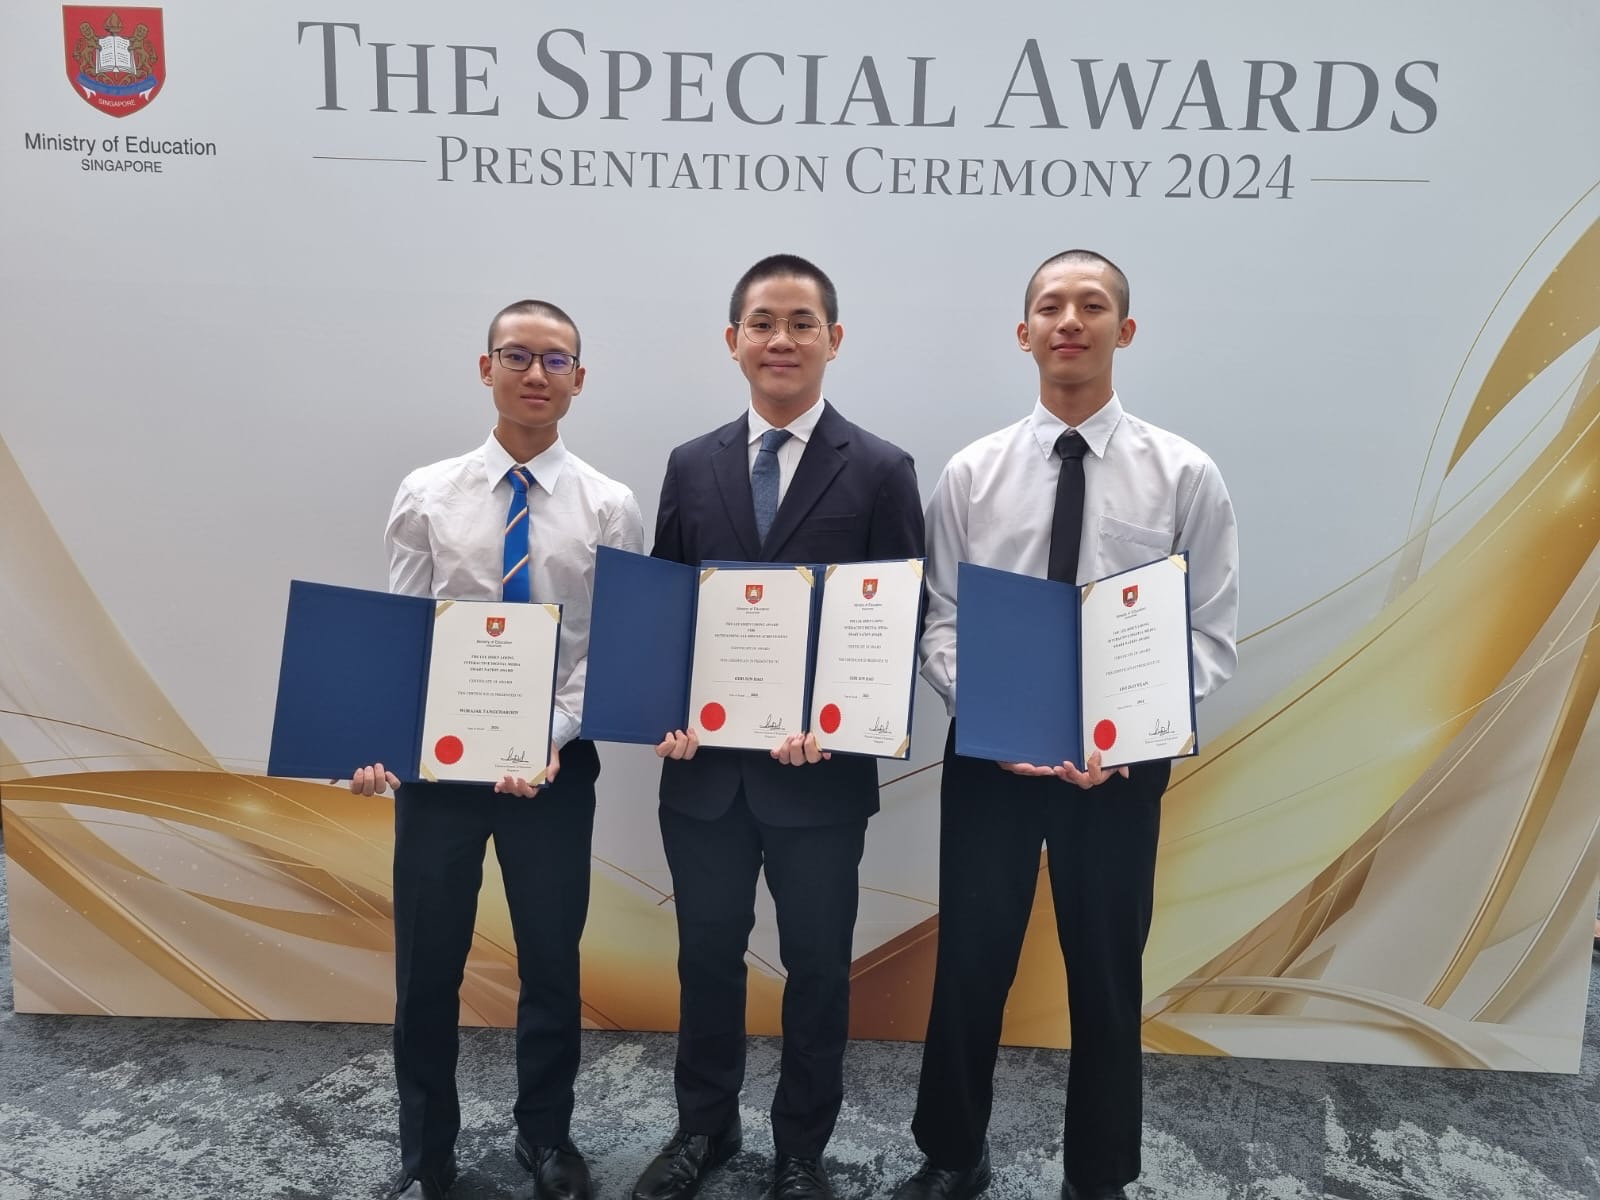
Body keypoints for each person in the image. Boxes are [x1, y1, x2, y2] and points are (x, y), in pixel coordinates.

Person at [892, 250, 1239, 1200]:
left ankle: (1100, 1175)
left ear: (1125, 331)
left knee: (1106, 974)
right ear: (1025, 332)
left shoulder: (1185, 474)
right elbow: (940, 624)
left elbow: (1209, 635)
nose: (1070, 321)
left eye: (1093, 306)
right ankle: (952, 1152)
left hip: (1119, 773)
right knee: (970, 963)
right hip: (994, 762)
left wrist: (1129, 737)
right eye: (1051, 306)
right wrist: (998, 717)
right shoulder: (972, 474)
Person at [631, 254, 925, 1200]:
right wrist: (660, 711)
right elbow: (666, 607)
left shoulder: (880, 469)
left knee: (817, 972)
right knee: (706, 961)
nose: (782, 340)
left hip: (819, 779)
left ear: (834, 340)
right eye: (764, 322)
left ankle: (802, 1149)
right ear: (734, 342)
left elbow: (899, 618)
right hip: (707, 777)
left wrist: (842, 721)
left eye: (803, 322)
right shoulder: (691, 463)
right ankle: (703, 1132)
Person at [350, 299, 645, 1200]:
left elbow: (611, 651)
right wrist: (380, 745)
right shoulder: (427, 493)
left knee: (552, 961)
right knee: (427, 967)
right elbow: (404, 637)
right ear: (486, 369)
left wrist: (547, 737)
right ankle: (425, 1150)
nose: (534, 374)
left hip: (552, 773)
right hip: (440, 773)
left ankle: (546, 1139)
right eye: (517, 356)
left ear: (578, 381)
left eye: (555, 361)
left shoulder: (610, 505)